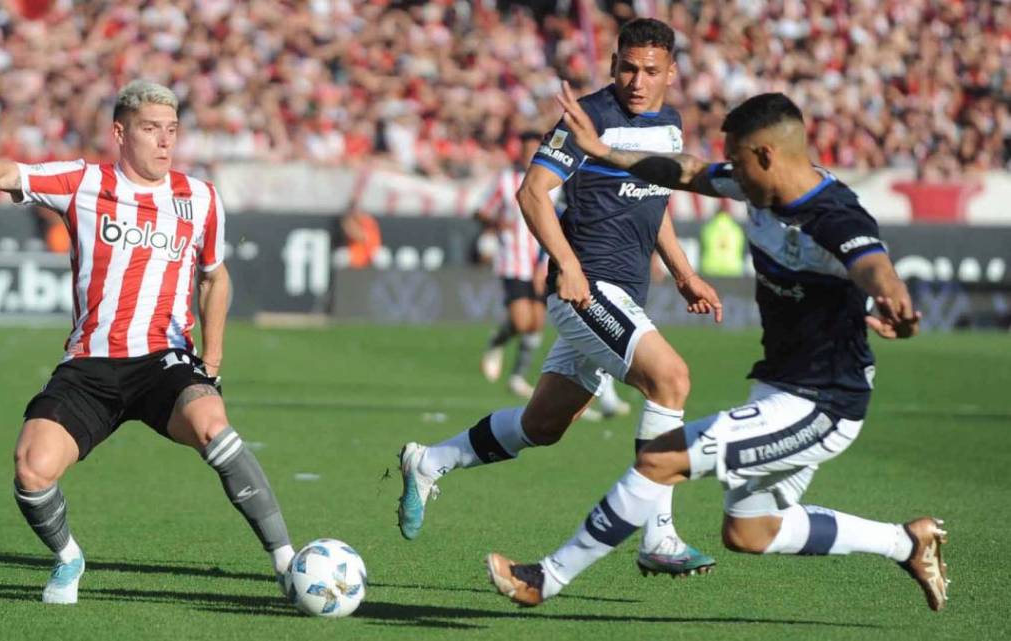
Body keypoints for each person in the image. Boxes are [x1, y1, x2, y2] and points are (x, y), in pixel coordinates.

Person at [486, 88, 948, 612]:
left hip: (822, 403)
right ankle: (906, 542)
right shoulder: (758, 186)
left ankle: (545, 578)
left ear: (766, 156)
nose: (729, 171)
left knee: (661, 459)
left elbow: (871, 262)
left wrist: (893, 296)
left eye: (737, 160)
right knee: (750, 531)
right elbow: (686, 172)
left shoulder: (833, 216)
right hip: (778, 383)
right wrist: (602, 151)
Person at [0, 80, 295, 605]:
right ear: (120, 133)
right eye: (151, 129)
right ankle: (68, 558)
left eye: (171, 130)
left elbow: (214, 277)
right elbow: (10, 171)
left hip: (163, 361)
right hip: (90, 365)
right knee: (31, 469)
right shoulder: (84, 182)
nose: (164, 142)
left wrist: (212, 362)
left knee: (212, 424)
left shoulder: (199, 198)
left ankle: (288, 563)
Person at [397, 18, 723, 579]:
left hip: (625, 291)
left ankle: (428, 462)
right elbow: (532, 193)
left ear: (672, 72)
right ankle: (660, 536)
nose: (636, 81)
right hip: (587, 288)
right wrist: (569, 267)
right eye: (626, 67)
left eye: (649, 71)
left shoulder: (669, 125)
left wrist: (684, 271)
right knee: (671, 379)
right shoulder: (588, 118)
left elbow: (655, 201)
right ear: (613, 63)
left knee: (542, 426)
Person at [477, 131, 552, 399]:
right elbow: (482, 211)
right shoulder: (506, 179)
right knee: (522, 321)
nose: (531, 153)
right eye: (527, 149)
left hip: (543, 262)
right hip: (513, 260)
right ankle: (498, 340)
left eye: (536, 148)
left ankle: (518, 377)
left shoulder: (553, 181)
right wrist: (497, 223)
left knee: (537, 322)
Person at [699, 209, 746, 277]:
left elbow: (703, 247)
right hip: (733, 269)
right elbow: (740, 248)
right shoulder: (736, 229)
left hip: (711, 269)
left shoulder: (708, 228)